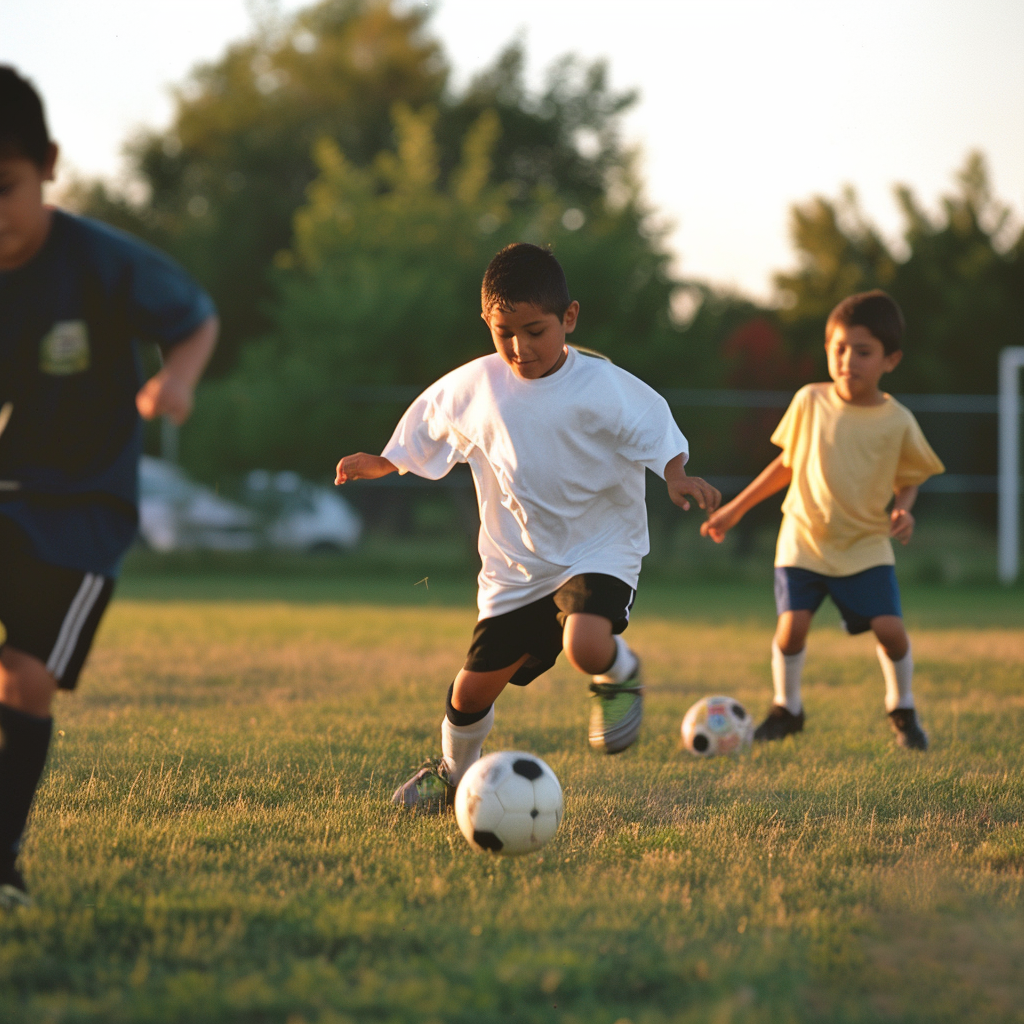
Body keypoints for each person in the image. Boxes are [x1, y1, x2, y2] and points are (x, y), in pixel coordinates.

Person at [336, 242, 720, 809]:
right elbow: (430, 426)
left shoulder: (604, 385)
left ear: (569, 318)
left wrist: (677, 473)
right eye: (503, 332)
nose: (520, 347)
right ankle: (451, 776)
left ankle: (619, 670)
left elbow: (656, 430)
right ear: (488, 325)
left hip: (599, 548)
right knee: (470, 692)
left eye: (536, 331)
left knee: (585, 643)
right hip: (516, 565)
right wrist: (385, 461)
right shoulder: (476, 387)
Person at [0, 66, 218, 906]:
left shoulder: (97, 261)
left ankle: (3, 858)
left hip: (83, 507)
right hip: (5, 488)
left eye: (4, 188)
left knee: (26, 672)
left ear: (49, 164)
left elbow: (195, 315)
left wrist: (179, 381)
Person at [701, 290, 944, 749]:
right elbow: (786, 465)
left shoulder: (898, 421)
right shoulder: (810, 400)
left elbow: (911, 476)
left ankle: (902, 707)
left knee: (891, 631)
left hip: (866, 544)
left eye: (863, 351)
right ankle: (787, 709)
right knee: (791, 629)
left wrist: (903, 510)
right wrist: (734, 509)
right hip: (803, 539)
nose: (848, 359)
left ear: (891, 360)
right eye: (839, 348)